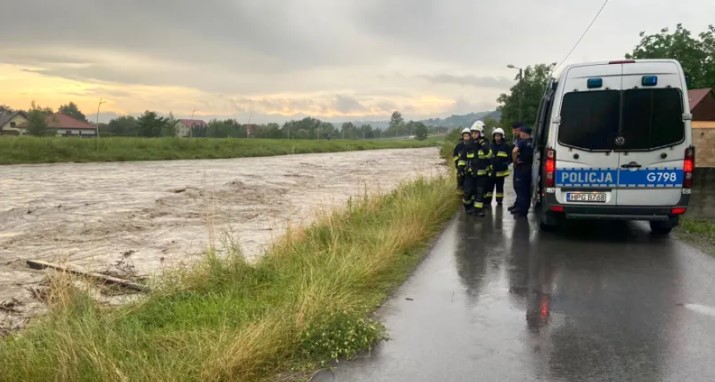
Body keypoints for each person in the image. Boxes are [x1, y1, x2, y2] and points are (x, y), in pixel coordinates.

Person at [463, 121, 491, 217]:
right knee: (468, 192)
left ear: (480, 133)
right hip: (470, 173)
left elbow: (489, 155)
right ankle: (468, 207)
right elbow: (464, 158)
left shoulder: (485, 143)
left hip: (482, 174)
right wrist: (461, 169)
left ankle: (478, 209)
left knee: (480, 192)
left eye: (476, 133)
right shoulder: (468, 144)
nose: (474, 135)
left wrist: (483, 145)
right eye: (473, 133)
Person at [484, 127, 511, 206]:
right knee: (489, 188)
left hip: (501, 172)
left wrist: (506, 163)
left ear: (502, 136)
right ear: (494, 136)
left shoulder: (505, 146)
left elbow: (510, 157)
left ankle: (499, 201)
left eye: (499, 136)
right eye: (496, 136)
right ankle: (487, 202)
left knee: (499, 188)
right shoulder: (491, 146)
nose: (497, 137)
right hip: (491, 171)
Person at [511, 126, 534, 218]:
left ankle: (521, 210)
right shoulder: (533, 142)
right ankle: (524, 209)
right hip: (530, 167)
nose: (520, 134)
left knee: (520, 189)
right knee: (527, 190)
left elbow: (515, 150)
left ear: (524, 133)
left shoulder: (523, 142)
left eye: (521, 132)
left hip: (522, 167)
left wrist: (515, 161)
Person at [508, 123, 523, 212]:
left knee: (520, 187)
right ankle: (517, 204)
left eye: (516, 130)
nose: (514, 132)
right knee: (516, 186)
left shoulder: (522, 140)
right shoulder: (516, 139)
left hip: (520, 164)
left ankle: (520, 206)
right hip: (516, 165)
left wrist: (515, 160)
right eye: (513, 130)